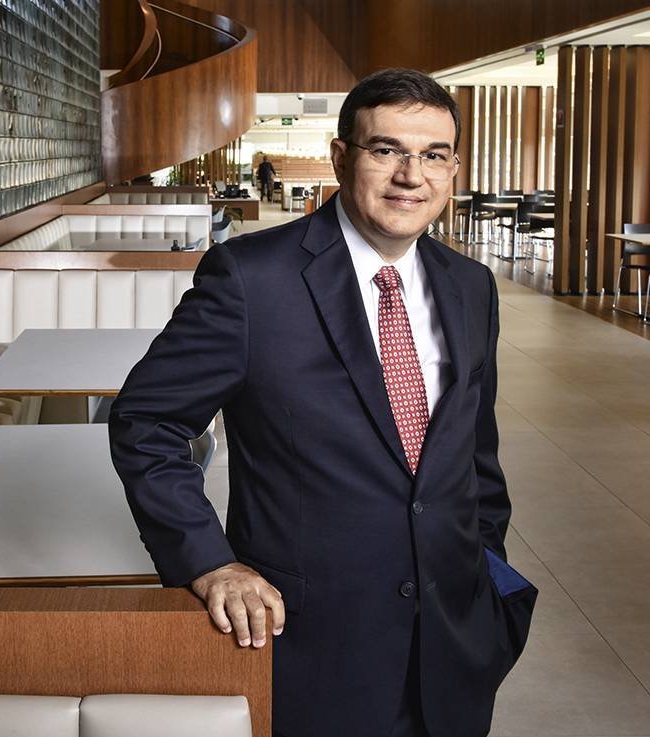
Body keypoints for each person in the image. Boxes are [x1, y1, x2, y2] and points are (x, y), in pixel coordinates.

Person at [109, 68, 536, 737]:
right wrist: (208, 561)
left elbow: (476, 452)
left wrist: (486, 569)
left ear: (454, 168)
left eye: (434, 155)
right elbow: (146, 422)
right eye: (386, 149)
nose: (411, 176)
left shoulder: (471, 285)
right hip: (317, 646)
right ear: (341, 157)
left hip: (455, 638)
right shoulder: (253, 280)